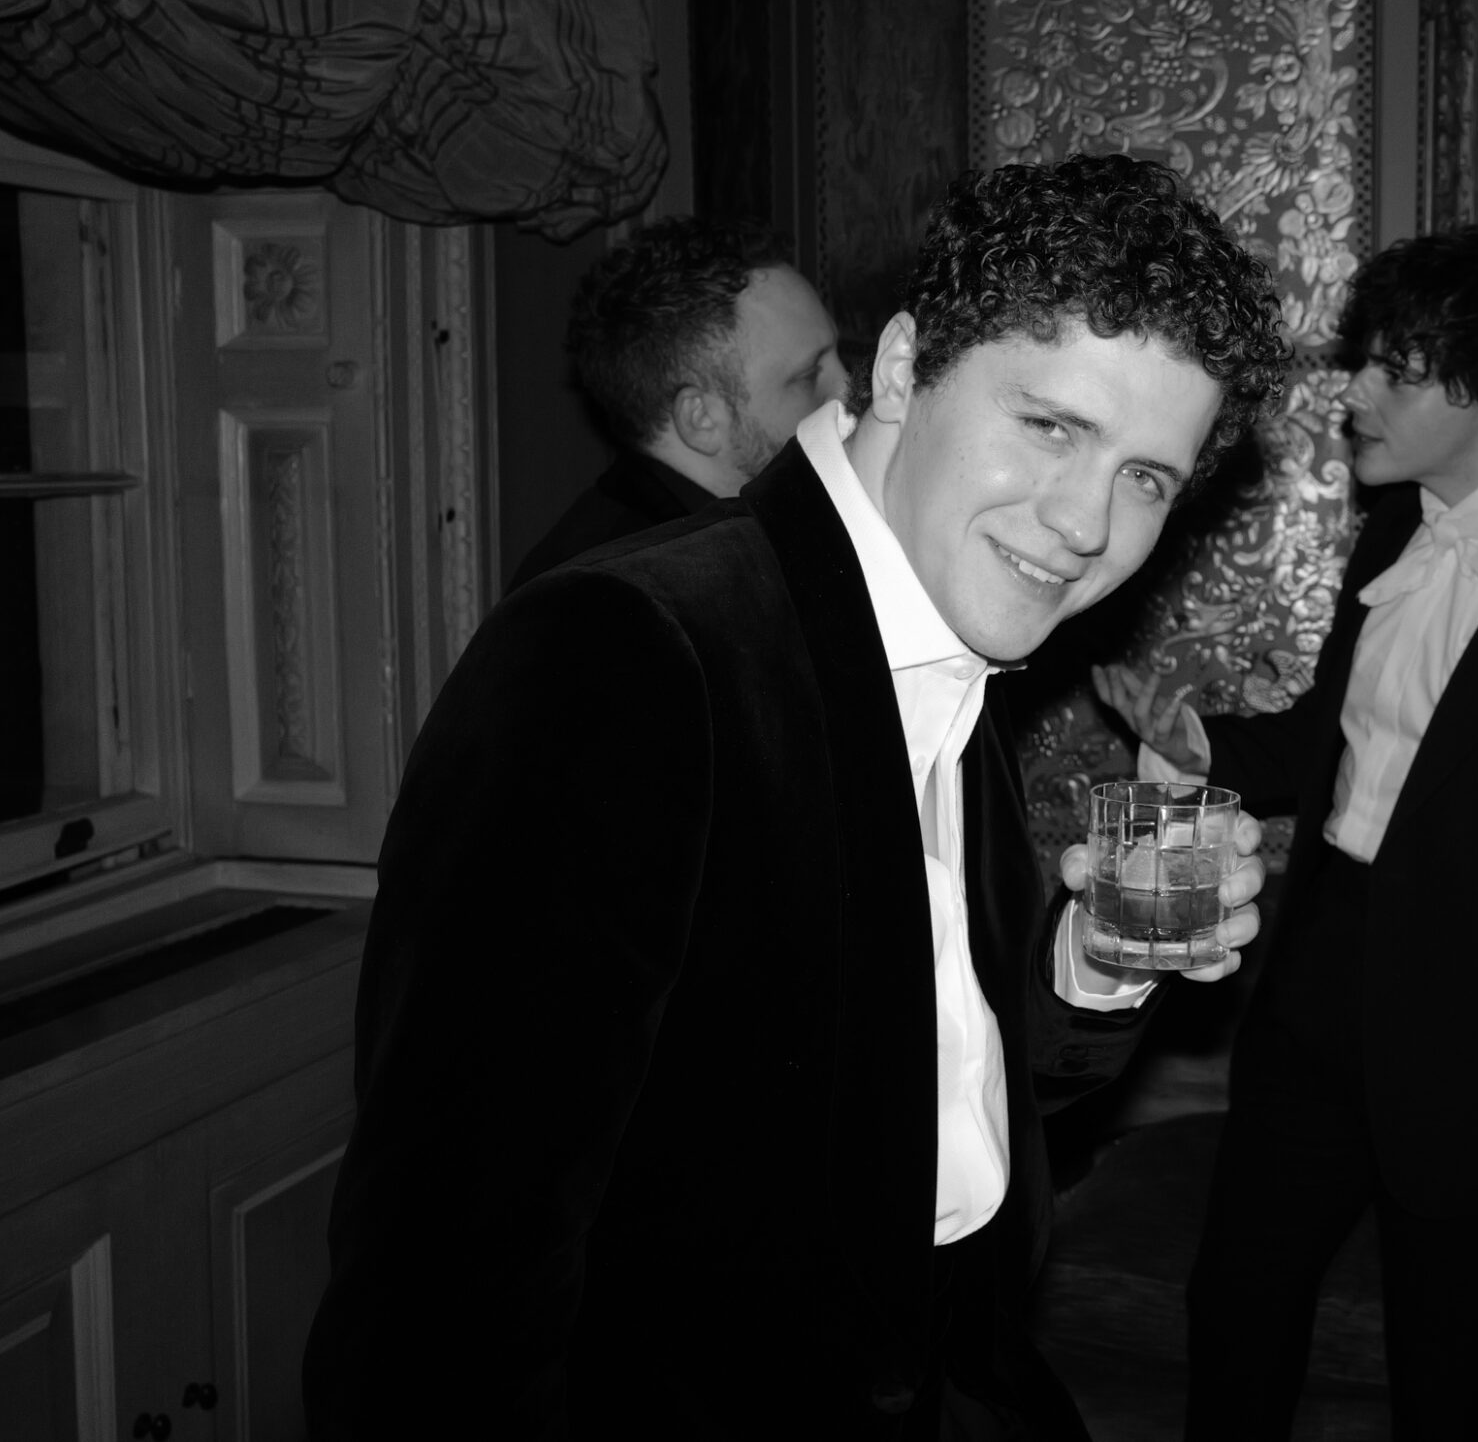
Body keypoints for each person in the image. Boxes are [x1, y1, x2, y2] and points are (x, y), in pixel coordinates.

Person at [303, 154, 1294, 1440]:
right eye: (1051, 426)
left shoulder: (945, 630)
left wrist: (1095, 960)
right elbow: (445, 1275)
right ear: (904, 368)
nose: (1086, 522)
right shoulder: (627, 650)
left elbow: (910, 1102)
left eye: (1146, 477)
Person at [1104, 228, 1478, 1441]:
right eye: (1365, 360)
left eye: (1395, 370)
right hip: (1315, 984)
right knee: (1237, 1299)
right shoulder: (1395, 529)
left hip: (1472, 1046)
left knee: (1443, 1362)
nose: (1352, 390)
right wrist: (1199, 744)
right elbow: (1340, 746)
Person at [505, 217, 850, 592]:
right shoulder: (617, 597)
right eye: (808, 375)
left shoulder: (755, 532)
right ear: (701, 419)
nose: (849, 391)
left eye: (838, 354)